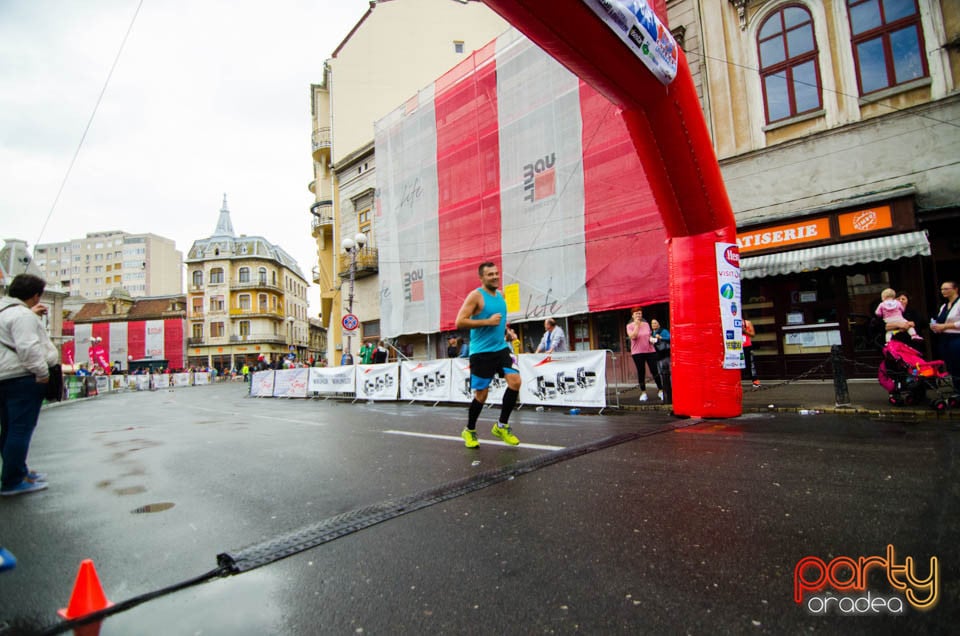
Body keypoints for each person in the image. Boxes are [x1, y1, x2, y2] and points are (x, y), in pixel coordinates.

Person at [0, 274, 59, 496]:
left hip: (4, 378)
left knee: (8, 428)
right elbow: (28, 348)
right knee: (20, 430)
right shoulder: (23, 316)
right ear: (36, 296)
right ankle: (13, 480)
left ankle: (18, 471)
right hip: (21, 377)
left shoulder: (5, 312)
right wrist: (42, 373)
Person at [455, 261, 521, 448]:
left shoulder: (501, 295)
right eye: (490, 274)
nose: (495, 277)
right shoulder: (476, 296)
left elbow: (499, 321)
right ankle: (469, 430)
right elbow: (460, 322)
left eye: (496, 273)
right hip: (481, 352)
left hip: (501, 348)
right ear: (481, 277)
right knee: (481, 394)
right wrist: (487, 322)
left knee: (515, 382)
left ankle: (502, 425)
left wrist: (506, 333)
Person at [626, 307, 662, 402]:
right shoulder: (629, 326)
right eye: (637, 314)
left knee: (654, 370)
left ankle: (661, 390)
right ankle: (643, 392)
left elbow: (648, 335)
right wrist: (637, 326)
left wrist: (652, 339)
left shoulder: (646, 324)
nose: (639, 315)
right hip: (637, 352)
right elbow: (633, 336)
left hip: (650, 350)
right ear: (633, 315)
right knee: (641, 371)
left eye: (640, 314)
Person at [930, 281, 960, 393]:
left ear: (955, 289)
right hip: (945, 339)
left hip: (957, 338)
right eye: (942, 289)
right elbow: (939, 321)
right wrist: (935, 327)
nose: (943, 291)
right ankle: (957, 390)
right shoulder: (944, 306)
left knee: (958, 364)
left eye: (946, 289)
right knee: (951, 366)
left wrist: (945, 326)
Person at [650, 319, 671, 402]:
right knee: (660, 372)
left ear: (658, 324)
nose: (654, 325)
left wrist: (661, 337)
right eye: (652, 323)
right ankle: (663, 390)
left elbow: (669, 337)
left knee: (666, 372)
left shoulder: (663, 331)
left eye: (655, 323)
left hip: (664, 354)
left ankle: (668, 391)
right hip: (656, 355)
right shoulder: (652, 333)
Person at [742, 318, 760, 388]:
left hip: (746, 346)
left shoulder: (747, 323)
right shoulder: (730, 322)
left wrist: (745, 331)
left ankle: (755, 380)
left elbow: (753, 334)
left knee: (750, 364)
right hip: (736, 347)